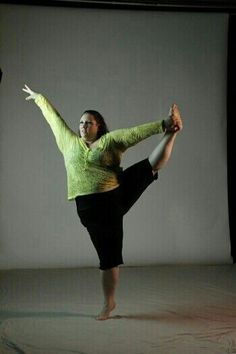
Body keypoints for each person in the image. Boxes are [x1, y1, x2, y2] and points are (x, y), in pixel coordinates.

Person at [22, 84, 183, 320]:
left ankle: (172, 131)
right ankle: (110, 303)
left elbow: (134, 132)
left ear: (99, 126)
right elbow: (54, 119)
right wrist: (39, 98)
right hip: (89, 210)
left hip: (115, 196)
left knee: (150, 166)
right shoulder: (68, 143)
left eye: (89, 122)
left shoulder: (110, 141)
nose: (83, 126)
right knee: (107, 259)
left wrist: (162, 125)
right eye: (81, 123)